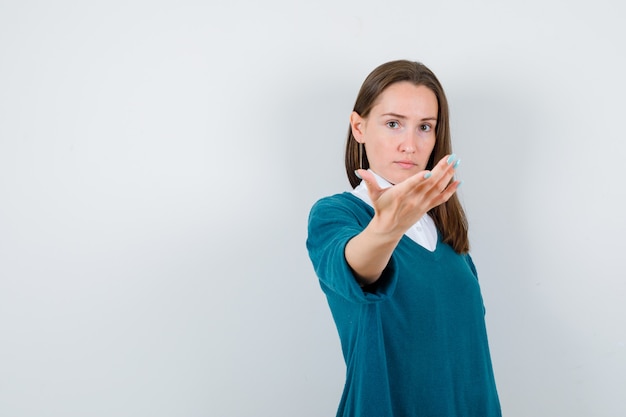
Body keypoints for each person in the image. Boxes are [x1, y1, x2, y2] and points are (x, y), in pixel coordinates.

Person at [306, 60, 501, 417]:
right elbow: (355, 269)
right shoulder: (337, 215)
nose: (409, 145)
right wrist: (389, 227)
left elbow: (469, 361)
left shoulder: (446, 233)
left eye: (424, 127)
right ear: (359, 127)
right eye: (394, 124)